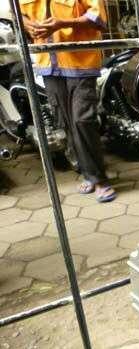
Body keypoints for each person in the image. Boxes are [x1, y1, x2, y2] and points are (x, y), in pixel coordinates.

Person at [19, 0, 116, 202]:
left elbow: (98, 18)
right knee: (65, 121)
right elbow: (18, 12)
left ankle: (100, 180)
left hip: (80, 61)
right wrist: (27, 24)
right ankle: (88, 173)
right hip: (48, 62)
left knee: (82, 120)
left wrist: (62, 23)